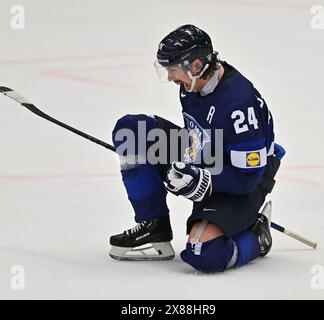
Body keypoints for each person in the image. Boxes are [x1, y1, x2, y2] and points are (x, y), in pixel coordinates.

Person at [109, 24, 285, 273]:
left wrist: (202, 180)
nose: (170, 77)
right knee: (131, 132)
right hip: (207, 157)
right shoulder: (191, 84)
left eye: (173, 69)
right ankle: (154, 225)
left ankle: (257, 236)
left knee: (203, 253)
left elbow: (248, 179)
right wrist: (180, 164)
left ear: (196, 65)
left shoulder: (240, 105)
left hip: (245, 180)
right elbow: (197, 136)